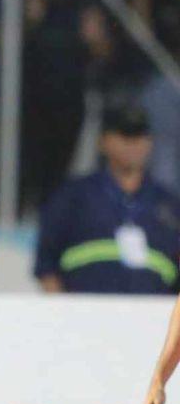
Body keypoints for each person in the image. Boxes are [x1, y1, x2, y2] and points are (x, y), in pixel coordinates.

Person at [36, 104, 180, 295]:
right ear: (103, 141)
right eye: (125, 135)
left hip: (154, 311)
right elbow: (46, 264)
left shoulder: (170, 204)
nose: (133, 143)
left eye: (140, 135)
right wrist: (62, 309)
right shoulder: (73, 197)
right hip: (85, 309)